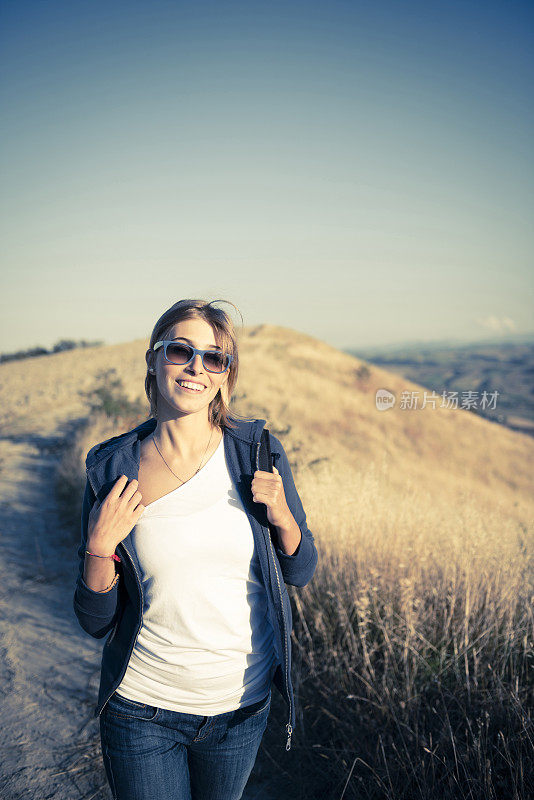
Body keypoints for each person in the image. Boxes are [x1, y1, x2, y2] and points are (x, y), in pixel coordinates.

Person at [73, 298, 318, 800]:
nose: (195, 368)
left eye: (214, 358)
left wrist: (283, 517)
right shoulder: (113, 468)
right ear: (153, 358)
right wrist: (99, 548)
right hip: (143, 710)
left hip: (241, 710)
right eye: (180, 351)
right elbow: (96, 621)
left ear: (226, 377)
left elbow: (301, 568)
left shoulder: (257, 453)